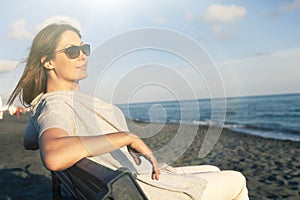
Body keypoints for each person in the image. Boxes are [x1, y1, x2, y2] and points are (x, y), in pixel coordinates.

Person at [8, 23, 249, 199]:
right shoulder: (57, 103)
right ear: (47, 61)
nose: (83, 56)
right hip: (134, 189)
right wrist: (126, 137)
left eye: (85, 49)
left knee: (213, 170)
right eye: (72, 51)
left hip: (123, 180)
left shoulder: (46, 104)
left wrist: (43, 126)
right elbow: (53, 155)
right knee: (237, 180)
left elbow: (31, 141)